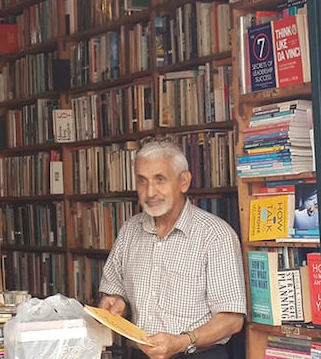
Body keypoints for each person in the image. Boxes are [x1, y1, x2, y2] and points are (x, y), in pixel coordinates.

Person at [98, 140, 247, 359]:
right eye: (142, 181)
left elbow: (232, 320)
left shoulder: (216, 235)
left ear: (184, 181)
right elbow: (116, 292)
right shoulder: (130, 230)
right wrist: (117, 303)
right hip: (140, 355)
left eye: (160, 179)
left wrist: (181, 341)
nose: (150, 192)